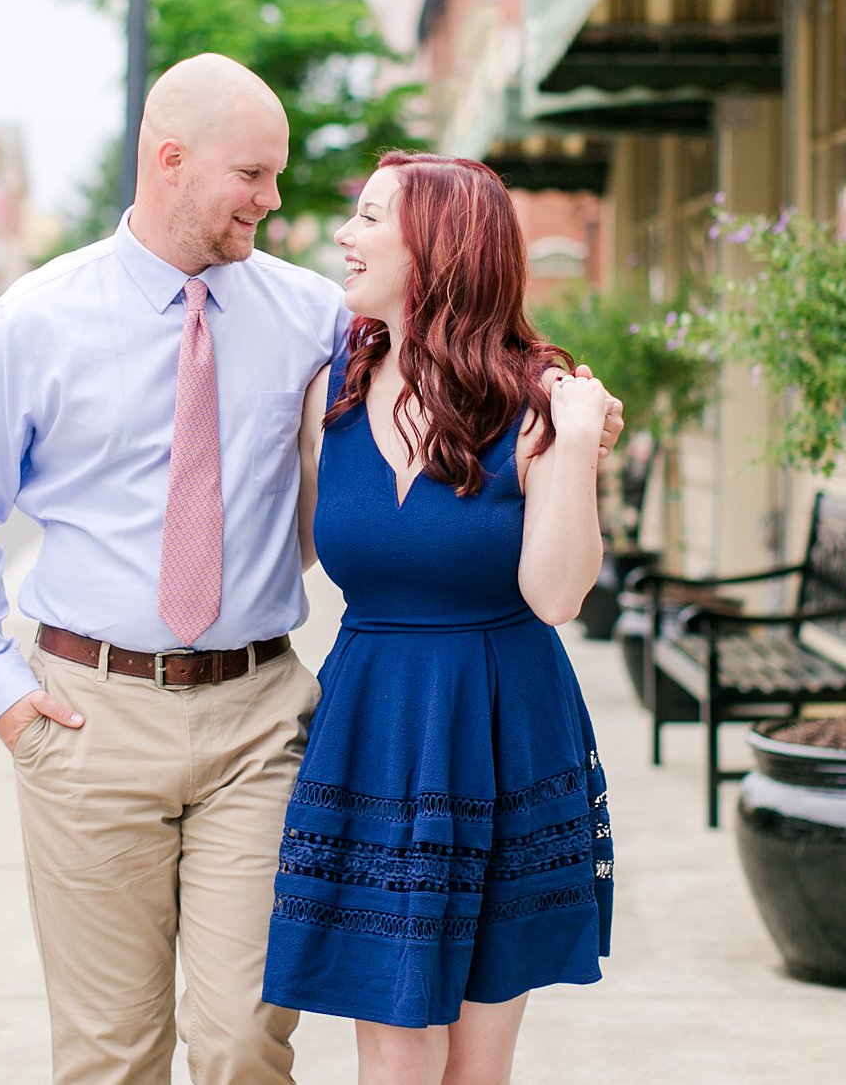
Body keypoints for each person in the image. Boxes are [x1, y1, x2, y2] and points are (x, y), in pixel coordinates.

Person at [0, 54, 621, 1085]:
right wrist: (4, 696)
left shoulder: (316, 322)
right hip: (86, 715)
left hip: (258, 715)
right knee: (109, 1053)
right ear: (171, 161)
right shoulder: (36, 318)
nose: (276, 200)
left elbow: (460, 356)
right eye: (252, 173)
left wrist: (573, 421)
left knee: (246, 1040)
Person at [261, 152, 615, 1085]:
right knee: (393, 1046)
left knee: (477, 1056)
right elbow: (288, 546)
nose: (345, 235)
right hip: (374, 727)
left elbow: (558, 595)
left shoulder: (540, 399)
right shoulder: (328, 386)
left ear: (438, 247)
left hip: (504, 729)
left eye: (370, 218)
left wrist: (574, 446)